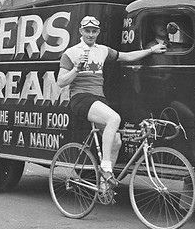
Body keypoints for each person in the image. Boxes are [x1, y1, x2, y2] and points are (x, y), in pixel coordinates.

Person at [57, 16, 167, 187]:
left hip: (99, 99)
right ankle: (106, 168)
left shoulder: (102, 50)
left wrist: (151, 51)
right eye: (87, 31)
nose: (91, 35)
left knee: (116, 141)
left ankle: (103, 187)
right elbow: (61, 82)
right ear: (81, 32)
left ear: (98, 32)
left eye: (94, 31)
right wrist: (76, 69)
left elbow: (128, 57)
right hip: (80, 98)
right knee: (114, 119)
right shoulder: (71, 53)